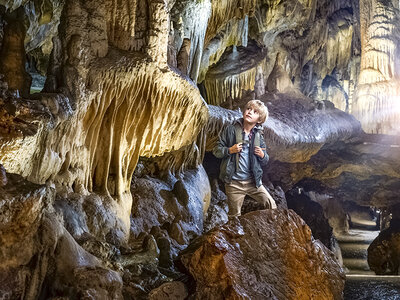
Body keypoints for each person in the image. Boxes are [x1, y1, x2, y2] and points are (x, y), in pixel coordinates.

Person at [213, 100, 277, 218]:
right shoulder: (230, 130)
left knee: (271, 205)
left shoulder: (258, 135)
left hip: (253, 182)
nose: (250, 112)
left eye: (255, 111)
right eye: (248, 109)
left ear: (259, 119)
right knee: (234, 217)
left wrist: (262, 156)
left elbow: (265, 160)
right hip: (233, 183)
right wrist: (229, 150)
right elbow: (216, 150)